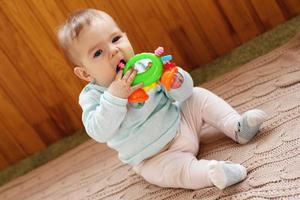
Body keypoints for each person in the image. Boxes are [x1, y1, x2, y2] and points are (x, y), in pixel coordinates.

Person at [57, 8, 266, 190]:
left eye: (116, 39)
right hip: (153, 157)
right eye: (98, 53)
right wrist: (115, 96)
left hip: (181, 124)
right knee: (177, 173)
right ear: (85, 73)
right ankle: (214, 173)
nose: (114, 51)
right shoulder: (93, 96)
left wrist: (175, 81)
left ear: (126, 36)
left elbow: (184, 94)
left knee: (197, 96)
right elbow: (98, 131)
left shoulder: (145, 67)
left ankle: (236, 126)